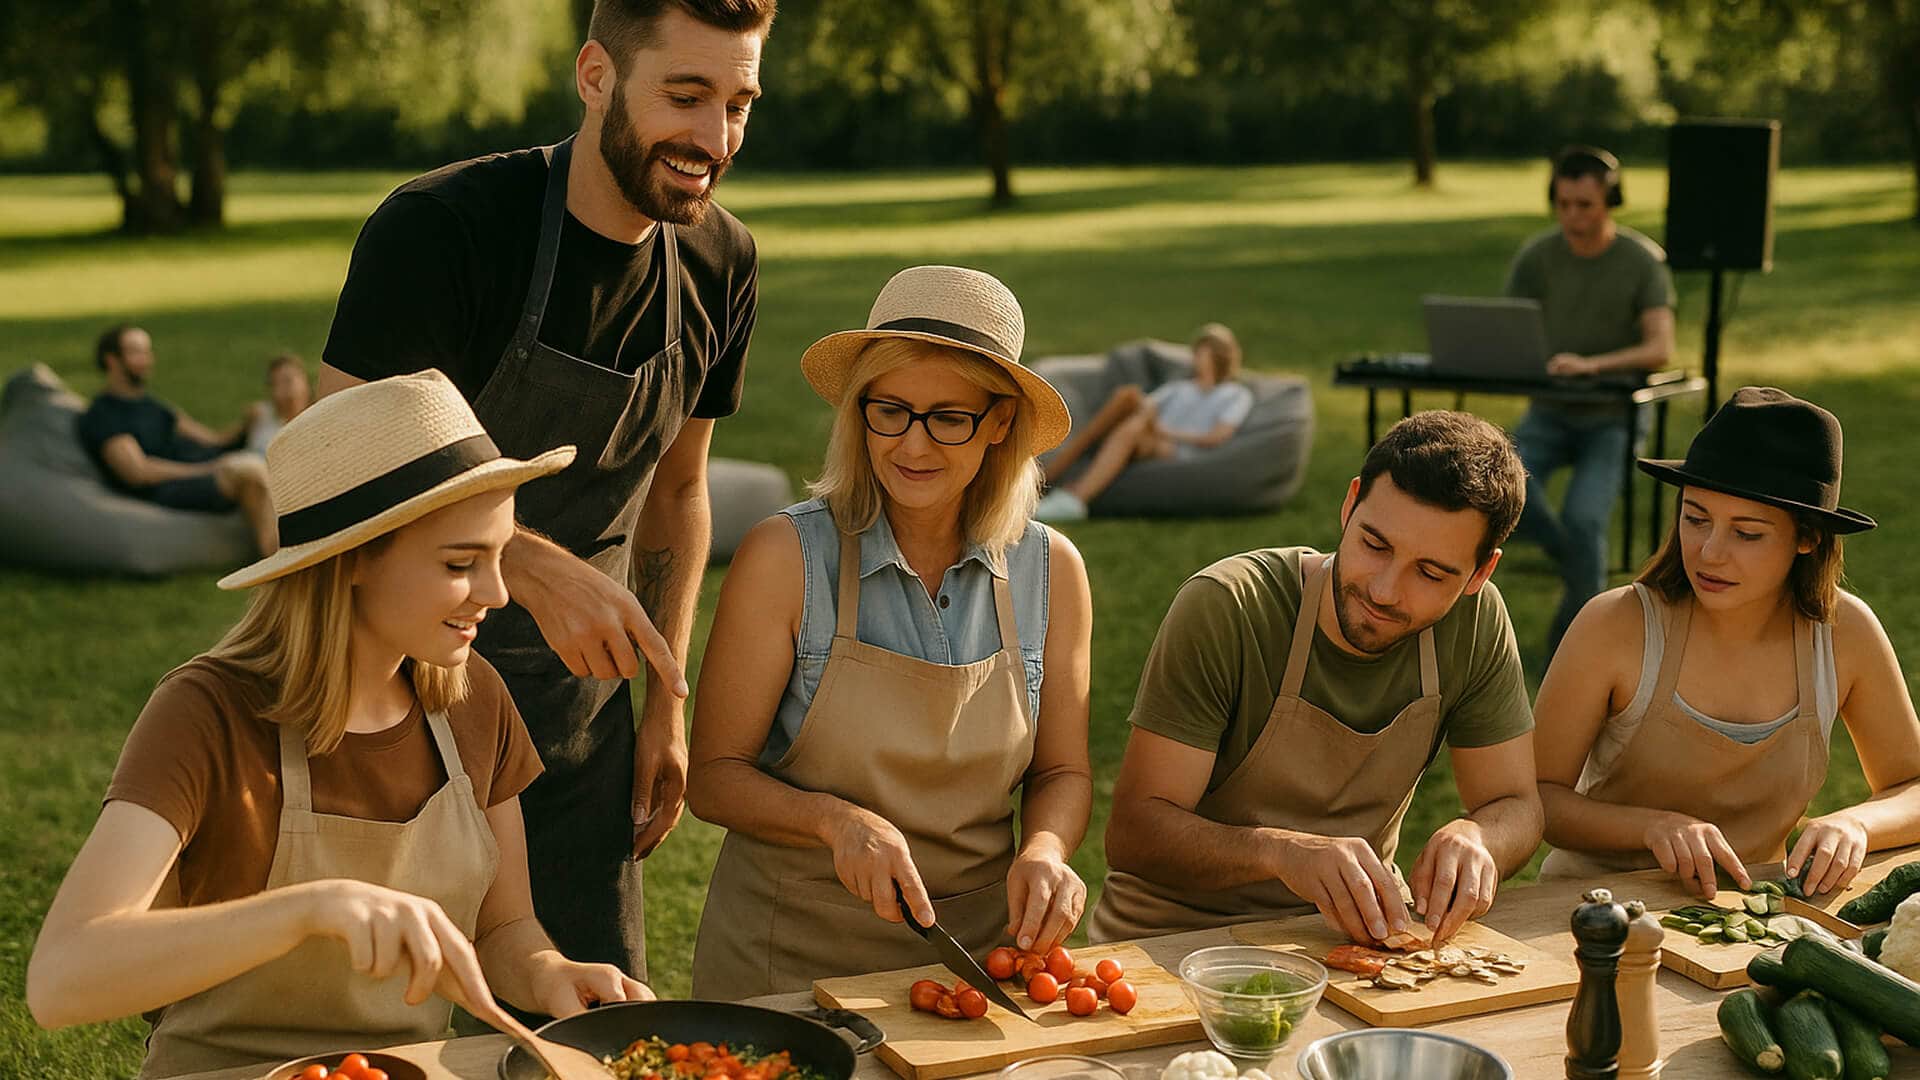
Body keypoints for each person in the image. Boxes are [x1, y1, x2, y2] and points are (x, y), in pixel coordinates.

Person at [316, 0, 773, 979]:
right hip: (376, 709)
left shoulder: (720, 265)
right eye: (685, 95)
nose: (713, 137)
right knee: (336, 1025)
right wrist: (522, 562)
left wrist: (666, 702)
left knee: (586, 1023)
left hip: (576, 728)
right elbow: (334, 461)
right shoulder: (445, 229)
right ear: (597, 74)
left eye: (738, 103)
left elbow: (679, 493)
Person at [26, 372, 649, 1079]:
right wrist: (308, 910)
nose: (498, 593)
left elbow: (502, 928)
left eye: (499, 556)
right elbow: (61, 980)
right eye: (459, 563)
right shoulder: (206, 713)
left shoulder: (475, 699)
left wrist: (546, 973)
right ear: (351, 560)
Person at [685, 266, 1093, 998]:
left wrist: (1045, 848)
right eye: (891, 410)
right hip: (789, 963)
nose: (913, 445)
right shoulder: (786, 557)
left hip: (972, 964)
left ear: (1000, 424)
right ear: (859, 409)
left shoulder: (1051, 569)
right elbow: (713, 779)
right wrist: (835, 822)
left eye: (948, 418)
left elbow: (1062, 772)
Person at [1090, 411, 1542, 946]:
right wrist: (1280, 852)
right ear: (1350, 504)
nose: (1385, 591)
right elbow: (1134, 834)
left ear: (1480, 573)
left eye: (1431, 573)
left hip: (1358, 938)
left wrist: (1480, 837)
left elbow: (1518, 805)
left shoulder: (1476, 622)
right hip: (1175, 938)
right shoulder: (1230, 607)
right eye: (1375, 545)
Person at [1535, 387, 1920, 899]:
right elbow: (1534, 799)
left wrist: (1857, 823)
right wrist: (1654, 827)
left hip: (1752, 917)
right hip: (1589, 912)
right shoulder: (1614, 624)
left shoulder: (1844, 634)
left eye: (1747, 533)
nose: (1710, 553)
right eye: (1696, 519)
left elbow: (1911, 785)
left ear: (1808, 539)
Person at [1506, 145, 1677, 657]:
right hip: (1548, 411)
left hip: (1612, 418)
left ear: (1611, 201)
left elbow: (1660, 347)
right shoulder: (1536, 257)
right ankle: (1578, 566)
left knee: (1584, 518)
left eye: (1585, 204)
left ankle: (1573, 644)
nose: (1573, 216)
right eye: (1563, 204)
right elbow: (1510, 328)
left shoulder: (1642, 261)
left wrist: (1592, 364)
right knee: (1503, 486)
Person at [78, 323, 278, 554]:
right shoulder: (104, 415)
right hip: (171, 487)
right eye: (136, 352)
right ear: (111, 360)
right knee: (250, 473)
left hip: (207, 467)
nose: (147, 359)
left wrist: (245, 425)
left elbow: (214, 441)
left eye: (147, 351)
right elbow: (138, 471)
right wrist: (209, 469)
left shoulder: (154, 407)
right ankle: (276, 559)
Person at [1034, 324, 1254, 522]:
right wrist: (1146, 413)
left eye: (1206, 355)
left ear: (1221, 358)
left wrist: (1166, 431)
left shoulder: (1235, 394)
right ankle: (1050, 479)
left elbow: (1218, 436)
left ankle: (1074, 496)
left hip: (1176, 447)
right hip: (1153, 431)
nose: (1200, 360)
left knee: (1133, 426)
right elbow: (1150, 405)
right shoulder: (1182, 387)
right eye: (1199, 353)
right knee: (1127, 397)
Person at [245, 352, 313, 454]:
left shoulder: (318, 419)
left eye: (288, 380)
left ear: (305, 382)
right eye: (278, 383)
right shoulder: (260, 414)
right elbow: (225, 441)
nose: (285, 388)